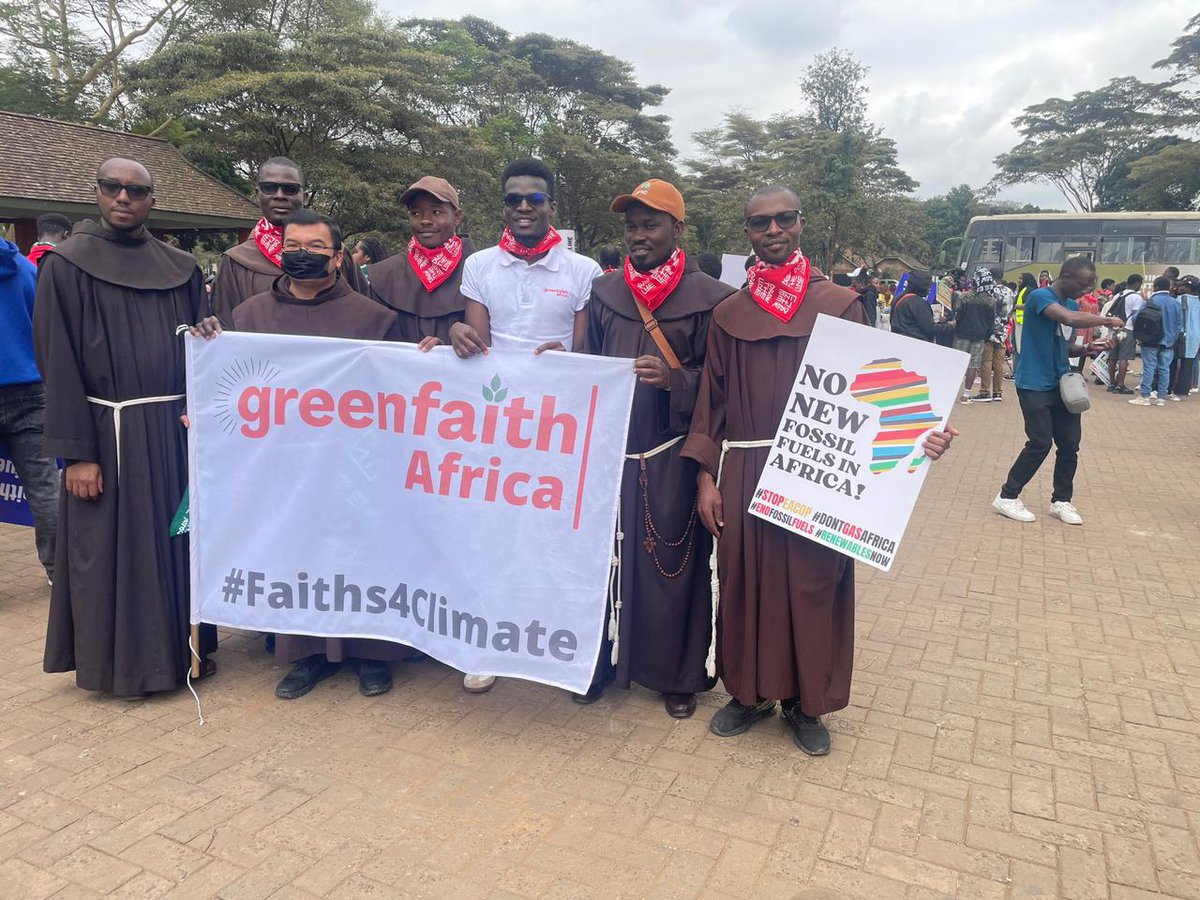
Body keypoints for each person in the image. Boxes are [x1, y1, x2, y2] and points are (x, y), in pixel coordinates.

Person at [681, 186, 957, 755]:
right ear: (749, 233)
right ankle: (749, 693)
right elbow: (712, 401)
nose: (773, 230)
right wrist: (706, 477)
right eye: (760, 223)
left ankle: (806, 704)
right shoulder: (730, 314)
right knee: (743, 583)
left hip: (821, 466)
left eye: (784, 218)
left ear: (800, 223)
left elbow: (881, 384)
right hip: (749, 467)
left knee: (812, 584)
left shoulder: (841, 303)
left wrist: (919, 433)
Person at [192, 209, 408, 698]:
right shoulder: (248, 319)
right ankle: (306, 655)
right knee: (297, 555)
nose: (302, 254)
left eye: (316, 247)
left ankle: (372, 655)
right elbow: (231, 384)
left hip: (356, 466)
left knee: (362, 555)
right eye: (294, 245)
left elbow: (399, 393)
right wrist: (209, 345)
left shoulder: (373, 319)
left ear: (336, 258)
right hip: (284, 464)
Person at [33, 157, 216, 697]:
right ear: (96, 192)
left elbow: (198, 347)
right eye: (112, 187)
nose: (123, 198)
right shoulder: (66, 265)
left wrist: (210, 334)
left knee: (175, 544)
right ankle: (114, 666)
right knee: (108, 552)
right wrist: (76, 454)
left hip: (171, 430)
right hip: (104, 434)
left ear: (150, 201)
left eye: (136, 191)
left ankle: (183, 658)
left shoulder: (181, 267)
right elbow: (56, 362)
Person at [448, 157, 602, 693]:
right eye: (513, 199)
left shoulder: (583, 271)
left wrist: (569, 354)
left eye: (534, 199)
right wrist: (456, 337)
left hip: (560, 426)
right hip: (495, 425)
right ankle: (488, 642)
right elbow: (477, 346)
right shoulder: (480, 266)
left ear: (551, 206)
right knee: (492, 530)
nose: (522, 208)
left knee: (555, 533)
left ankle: (558, 641)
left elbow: (587, 351)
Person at [582, 178, 731, 716]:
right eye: (631, 227)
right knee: (602, 564)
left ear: (677, 229)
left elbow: (720, 384)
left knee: (675, 566)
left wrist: (674, 381)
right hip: (608, 456)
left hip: (671, 454)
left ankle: (677, 676)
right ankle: (593, 664)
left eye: (650, 225)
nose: (638, 236)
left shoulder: (711, 299)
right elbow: (587, 368)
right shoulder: (604, 293)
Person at [992, 257, 1123, 526]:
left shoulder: (1072, 303)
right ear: (1066, 275)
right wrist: (1107, 319)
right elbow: (1069, 319)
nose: (1086, 291)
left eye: (1090, 286)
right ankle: (1007, 496)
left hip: (1061, 382)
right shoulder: (1041, 296)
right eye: (1083, 284)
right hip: (1033, 382)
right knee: (1040, 442)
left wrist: (1086, 349)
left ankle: (1061, 500)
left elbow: (1063, 342)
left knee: (1070, 445)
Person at [209, 156, 367, 327]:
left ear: (305, 197)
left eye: (290, 189)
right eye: (269, 188)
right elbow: (225, 325)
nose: (279, 196)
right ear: (257, 194)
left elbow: (364, 313)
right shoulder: (235, 261)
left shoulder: (334, 254)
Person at [0, 235, 59, 584]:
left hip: (29, 387)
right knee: (44, 486)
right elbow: (45, 326)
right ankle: (57, 570)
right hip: (31, 387)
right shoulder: (25, 268)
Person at [366, 176, 473, 349]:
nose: (425, 220)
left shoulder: (478, 270)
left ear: (457, 217)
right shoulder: (386, 275)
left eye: (436, 212)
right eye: (416, 213)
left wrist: (446, 348)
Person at [1129, 275, 1182, 407]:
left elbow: (1136, 318)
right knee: (1165, 369)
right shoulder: (1176, 303)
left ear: (1155, 287)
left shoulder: (1150, 301)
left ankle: (1145, 396)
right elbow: (1179, 324)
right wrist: (1172, 337)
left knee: (1149, 367)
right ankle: (1161, 397)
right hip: (1169, 341)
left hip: (1150, 340)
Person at [954, 267, 997, 403]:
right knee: (973, 364)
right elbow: (991, 322)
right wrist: (986, 335)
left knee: (957, 362)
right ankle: (966, 394)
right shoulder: (991, 301)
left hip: (961, 334)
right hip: (979, 337)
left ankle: (952, 391)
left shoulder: (964, 297)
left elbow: (958, 315)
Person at [1104, 274, 1143, 394]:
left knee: (1112, 357)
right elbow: (1136, 315)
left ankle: (1111, 383)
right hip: (1128, 329)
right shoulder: (1136, 298)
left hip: (1115, 329)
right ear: (1136, 283)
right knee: (1124, 358)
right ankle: (1120, 385)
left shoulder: (1118, 295)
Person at [889, 271, 951, 344]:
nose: (929, 290)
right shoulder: (919, 303)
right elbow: (929, 329)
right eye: (928, 287)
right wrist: (949, 326)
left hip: (897, 340)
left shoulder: (898, 297)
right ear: (921, 286)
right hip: (915, 344)